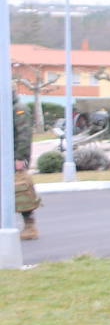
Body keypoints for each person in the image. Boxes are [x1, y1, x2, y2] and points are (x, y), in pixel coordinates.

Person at [12, 91, 39, 240]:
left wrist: (20, 158)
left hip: (14, 157)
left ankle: (29, 225)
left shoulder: (18, 108)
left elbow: (24, 134)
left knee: (21, 190)